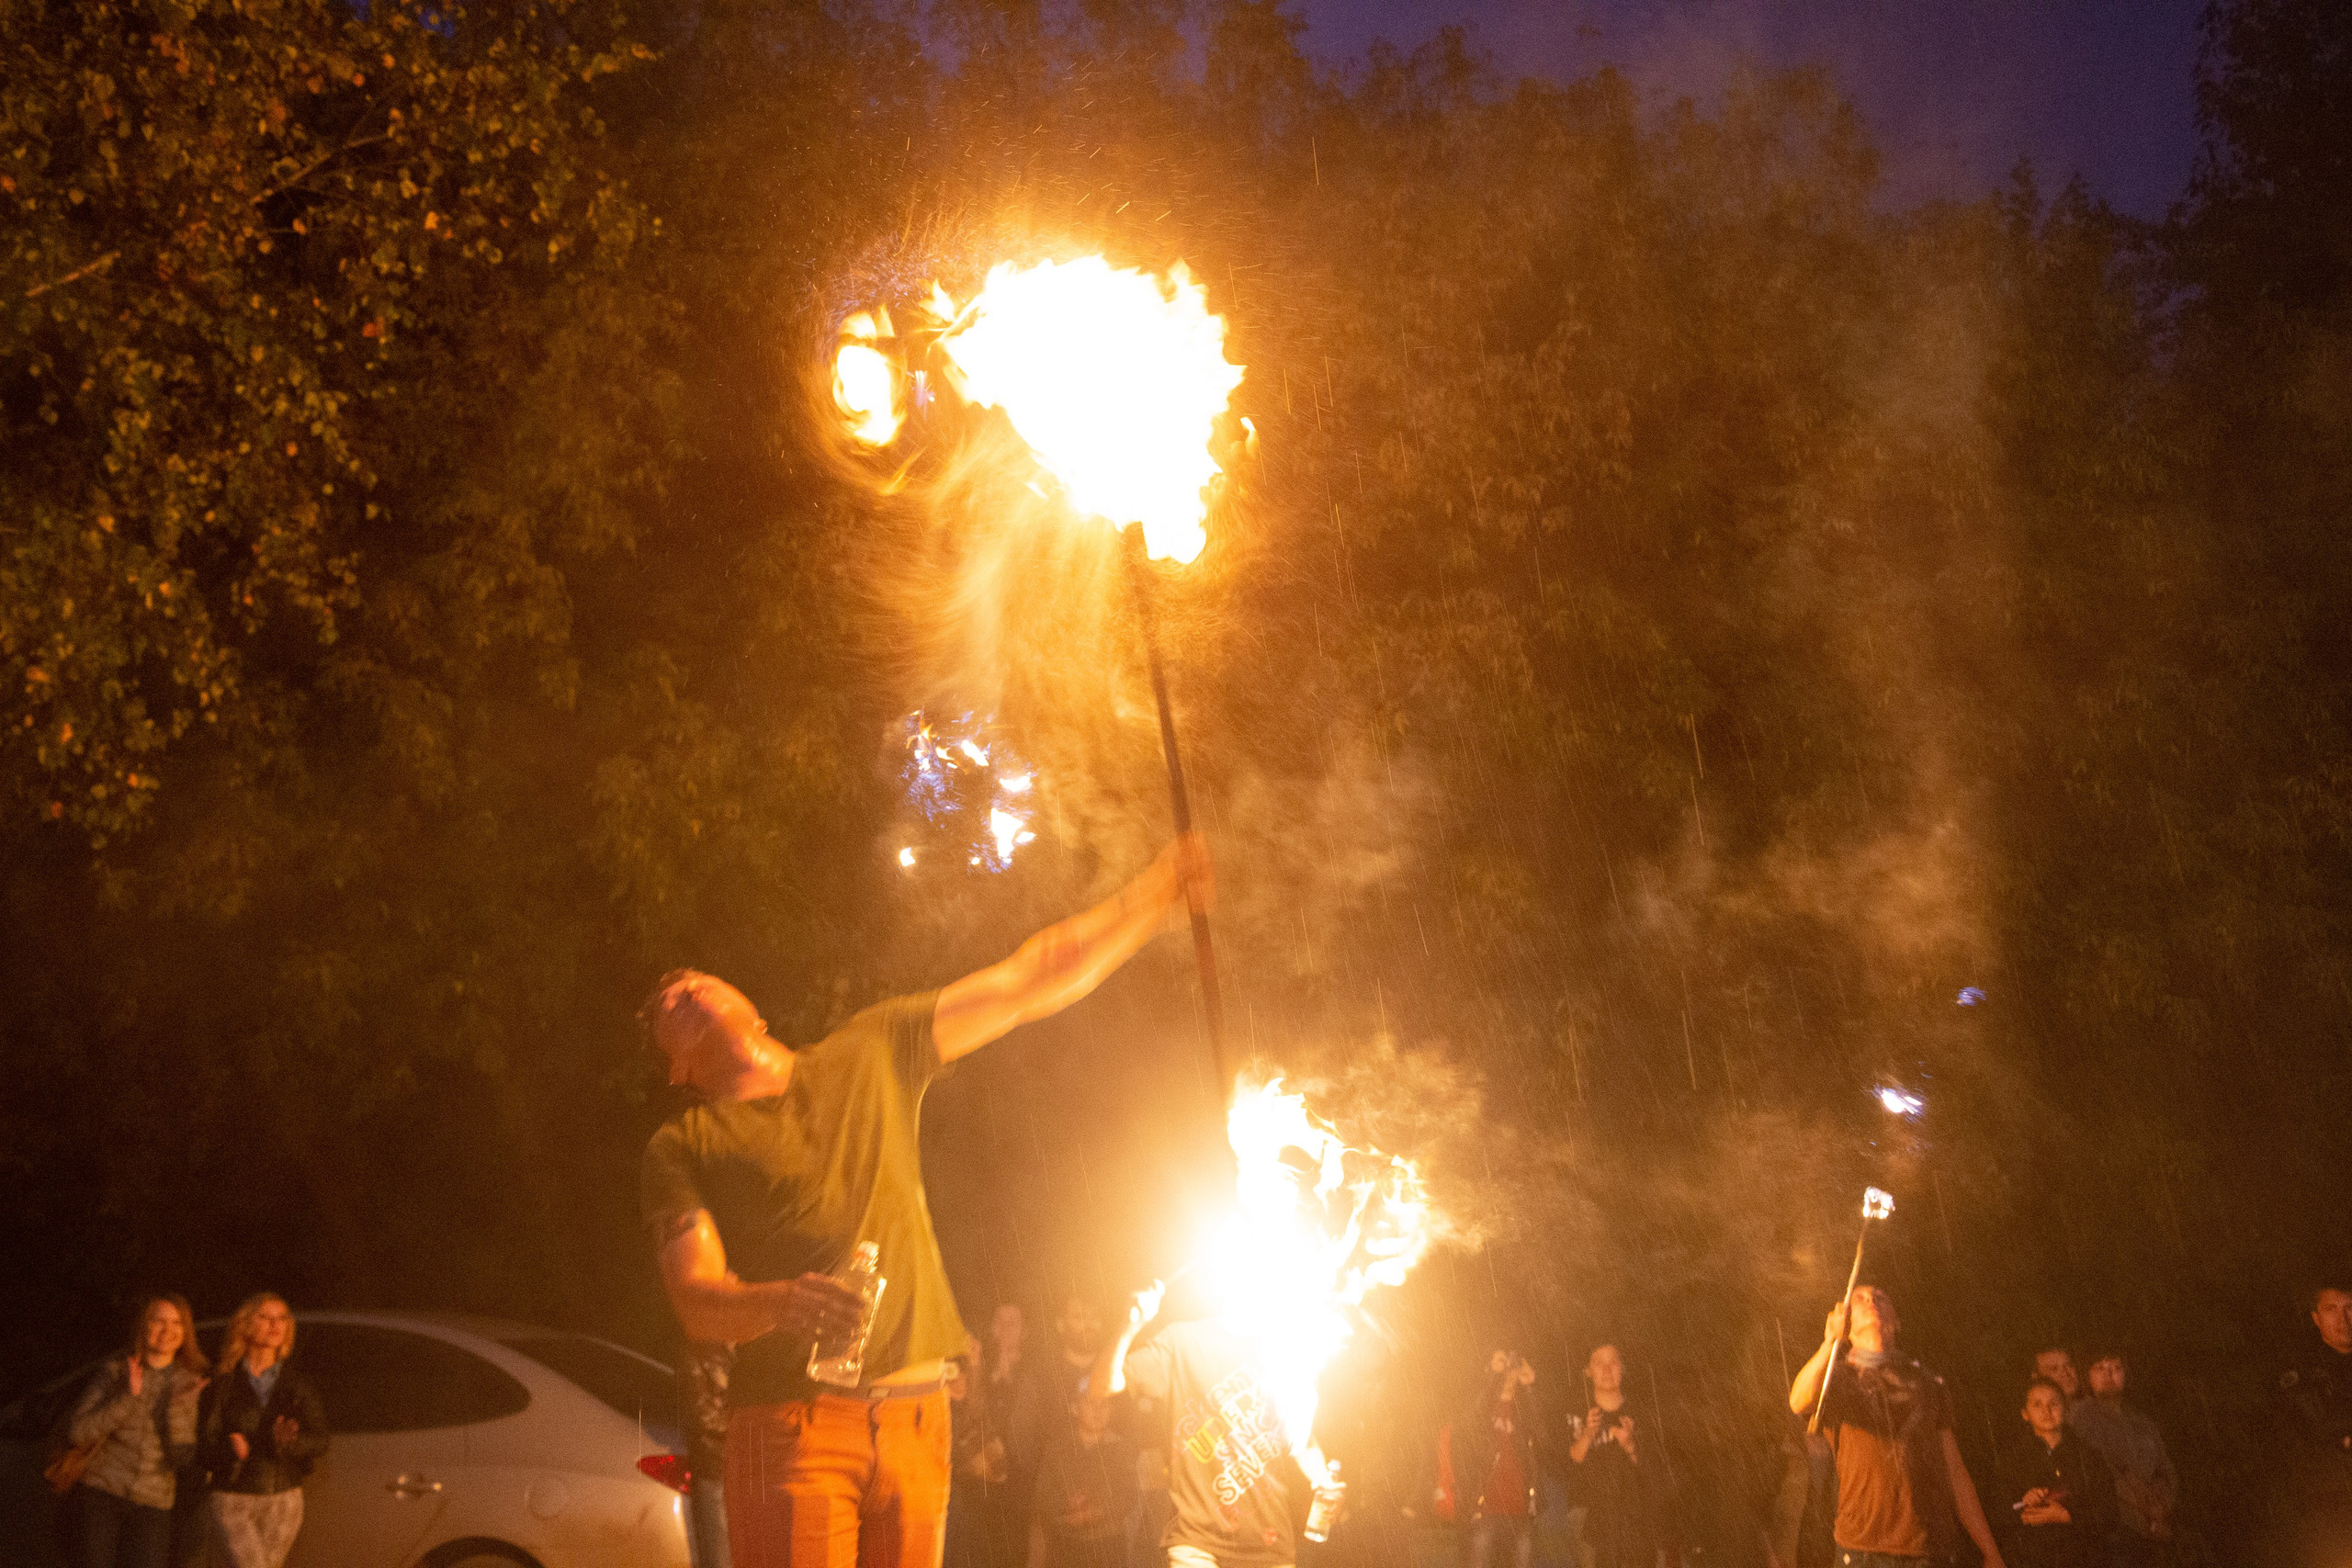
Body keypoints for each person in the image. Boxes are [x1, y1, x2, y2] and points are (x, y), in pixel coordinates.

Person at [640, 834, 1214, 1568]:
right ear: (677, 1068)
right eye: (666, 1007)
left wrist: (1156, 894)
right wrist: (784, 1300)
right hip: (793, 1427)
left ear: (748, 1004)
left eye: (694, 982)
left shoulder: (871, 1046)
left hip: (920, 1418)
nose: (681, 992)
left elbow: (1026, 980)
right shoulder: (685, 1141)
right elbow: (696, 1296)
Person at [1786, 1286, 2009, 1568]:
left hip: (1931, 1550)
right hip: (1863, 1551)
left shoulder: (1928, 1382)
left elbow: (1954, 1471)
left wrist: (1989, 1550)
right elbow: (1798, 1401)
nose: (1871, 1301)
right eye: (1860, 1299)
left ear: (1897, 1320)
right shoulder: (1837, 1379)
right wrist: (1829, 1343)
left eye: (1879, 1297)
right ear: (1847, 1323)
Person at [1095, 1282, 1304, 1568]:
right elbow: (1101, 1386)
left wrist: (1323, 1479)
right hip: (1198, 1545)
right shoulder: (1183, 1341)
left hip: (1270, 1545)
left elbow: (1302, 1434)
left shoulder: (1283, 1348)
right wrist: (1129, 1326)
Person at [67, 1294, 210, 1568]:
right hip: (101, 1496)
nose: (168, 1330)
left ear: (185, 1332)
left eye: (177, 1322)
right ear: (143, 1327)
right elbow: (78, 1432)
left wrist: (179, 1408)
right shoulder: (114, 1372)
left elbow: (181, 1459)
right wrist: (128, 1397)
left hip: (153, 1505)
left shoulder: (190, 1383)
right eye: (158, 1320)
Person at [195, 1293, 327, 1568]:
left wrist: (289, 1442)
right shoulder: (224, 1383)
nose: (274, 1325)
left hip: (283, 1496)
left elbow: (320, 1440)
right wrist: (231, 1450)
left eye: (281, 1318)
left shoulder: (298, 1383)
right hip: (235, 1496)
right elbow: (204, 1446)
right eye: (265, 1317)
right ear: (245, 1325)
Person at [2064, 1350, 2175, 1562]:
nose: (2109, 1375)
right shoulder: (2081, 1418)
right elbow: (2103, 1473)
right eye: (2100, 1368)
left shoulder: (2142, 1423)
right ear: (2086, 1375)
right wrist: (2143, 1507)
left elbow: (2166, 1470)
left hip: (2157, 1531)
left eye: (2116, 1368)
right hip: (2116, 1531)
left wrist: (2162, 1507)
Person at [1994, 1378, 2115, 1568]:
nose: (2046, 1411)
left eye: (2054, 1403)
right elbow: (2002, 1515)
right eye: (2037, 1404)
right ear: (2025, 1413)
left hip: (2083, 1558)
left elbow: (2108, 1511)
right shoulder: (2012, 1461)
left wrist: (2067, 1515)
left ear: (2065, 1409)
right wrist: (2023, 1502)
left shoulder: (2087, 1455)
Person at [2275, 1278, 2352, 1567]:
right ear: (2316, 1318)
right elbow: (2311, 1435)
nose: (2343, 1319)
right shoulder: (2303, 1376)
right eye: (2331, 1309)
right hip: (2333, 1514)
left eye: (2349, 1307)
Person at [1567, 1344, 1663, 1568]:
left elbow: (1656, 1472)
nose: (1607, 1369)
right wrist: (1588, 1435)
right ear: (1588, 1371)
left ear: (1623, 1368)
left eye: (1614, 1362)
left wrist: (1629, 1444)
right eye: (1600, 1363)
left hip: (1638, 1525)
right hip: (1591, 1525)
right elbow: (1570, 1464)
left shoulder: (1641, 1412)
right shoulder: (1577, 1410)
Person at [1028, 1384, 1137, 1568]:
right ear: (1075, 1408)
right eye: (1091, 1403)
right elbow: (1040, 1497)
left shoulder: (1121, 1450)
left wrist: (1098, 1513)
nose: (1098, 1410)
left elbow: (1128, 1497)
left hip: (1107, 1546)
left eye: (1104, 1404)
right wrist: (1066, 1504)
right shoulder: (1057, 1449)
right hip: (1063, 1545)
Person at [1448, 1351, 1537, 1568]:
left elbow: (1544, 1434)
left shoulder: (1523, 1409)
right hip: (1484, 1510)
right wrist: (1492, 1376)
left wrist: (1531, 1386)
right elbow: (1467, 1424)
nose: (1509, 1368)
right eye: (1503, 1362)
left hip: (1520, 1512)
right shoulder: (1482, 1406)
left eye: (1512, 1362)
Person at [679, 1341, 734, 1568]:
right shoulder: (697, 1354)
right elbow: (702, 1414)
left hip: (737, 1468)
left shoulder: (736, 1354)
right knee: (719, 1558)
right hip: (714, 1469)